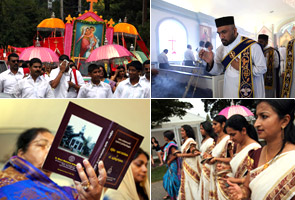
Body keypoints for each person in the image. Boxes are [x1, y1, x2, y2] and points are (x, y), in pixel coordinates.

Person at [0, 128, 106, 200]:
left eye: (54, 147)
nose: (51, 151)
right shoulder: (4, 179)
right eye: (42, 145)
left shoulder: (71, 193)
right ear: (21, 154)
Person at [228, 100, 295, 200]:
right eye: (257, 117)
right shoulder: (255, 155)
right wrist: (242, 193)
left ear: (284, 121)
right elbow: (247, 188)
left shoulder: (292, 159)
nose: (256, 124)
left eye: (264, 116)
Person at [199, 16, 267, 98]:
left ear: (234, 31)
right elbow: (218, 71)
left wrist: (242, 68)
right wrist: (211, 62)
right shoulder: (220, 49)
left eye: (224, 32)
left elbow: (262, 68)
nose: (221, 36)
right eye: (219, 33)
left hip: (252, 93)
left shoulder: (253, 46)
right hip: (230, 91)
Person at [224, 115, 261, 185]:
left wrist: (236, 180)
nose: (231, 138)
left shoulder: (255, 149)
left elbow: (256, 176)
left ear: (243, 130)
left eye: (233, 134)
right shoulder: (238, 145)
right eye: (229, 135)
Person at [203, 115, 232, 200]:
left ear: (223, 124)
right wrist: (209, 157)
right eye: (212, 124)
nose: (213, 127)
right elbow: (214, 155)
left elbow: (232, 159)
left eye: (215, 124)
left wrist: (216, 159)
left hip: (224, 175)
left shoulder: (228, 139)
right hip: (214, 173)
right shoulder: (217, 139)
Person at [174, 125, 199, 200]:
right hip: (186, 163)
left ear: (187, 131)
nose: (181, 132)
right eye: (181, 130)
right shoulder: (185, 141)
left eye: (182, 131)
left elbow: (194, 153)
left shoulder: (190, 141)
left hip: (191, 165)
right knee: (186, 184)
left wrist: (180, 155)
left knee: (192, 184)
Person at [198, 121, 216, 200]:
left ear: (207, 129)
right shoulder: (204, 140)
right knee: (204, 186)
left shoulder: (211, 141)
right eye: (200, 129)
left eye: (202, 128)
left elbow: (212, 155)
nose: (200, 130)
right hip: (203, 165)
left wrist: (201, 154)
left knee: (207, 186)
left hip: (209, 165)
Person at [162, 130, 181, 200]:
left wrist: (169, 160)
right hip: (171, 164)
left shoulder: (172, 144)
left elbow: (175, 154)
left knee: (172, 181)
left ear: (167, 137)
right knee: (168, 179)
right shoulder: (170, 143)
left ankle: (176, 196)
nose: (164, 137)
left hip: (173, 164)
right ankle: (171, 195)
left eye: (164, 136)